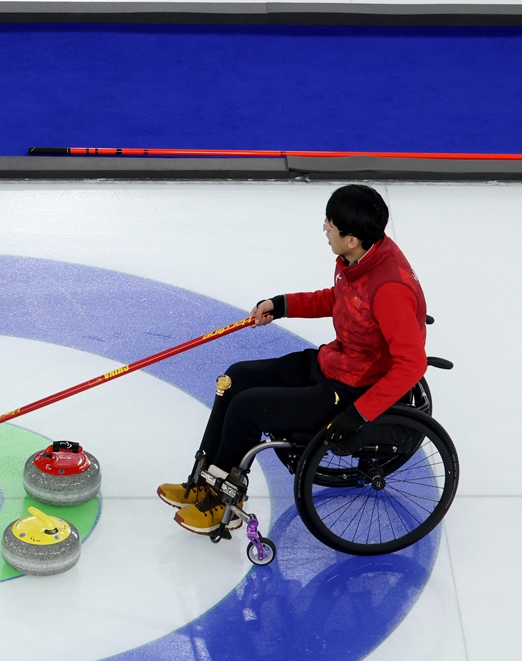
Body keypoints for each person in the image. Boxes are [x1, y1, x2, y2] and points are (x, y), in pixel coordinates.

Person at [157, 184, 428, 535]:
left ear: (352, 239)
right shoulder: (361, 257)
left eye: (331, 224)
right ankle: (204, 479)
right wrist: (283, 305)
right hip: (335, 362)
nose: (326, 228)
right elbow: (340, 299)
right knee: (235, 379)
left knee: (248, 407)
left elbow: (411, 364)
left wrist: (357, 414)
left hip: (352, 389)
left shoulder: (390, 288)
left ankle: (225, 499)